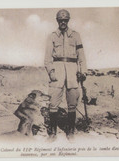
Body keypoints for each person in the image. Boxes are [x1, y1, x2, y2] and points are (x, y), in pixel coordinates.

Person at [44, 9, 87, 140]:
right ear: (57, 21)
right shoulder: (52, 36)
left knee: (72, 103)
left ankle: (71, 132)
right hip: (57, 72)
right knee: (53, 103)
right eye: (60, 20)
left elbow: (82, 57)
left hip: (73, 72)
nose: (63, 22)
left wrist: (83, 71)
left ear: (68, 21)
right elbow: (47, 58)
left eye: (65, 20)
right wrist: (51, 72)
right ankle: (52, 133)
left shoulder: (76, 35)